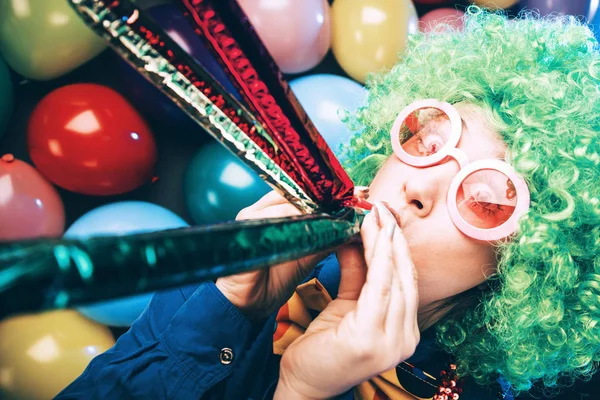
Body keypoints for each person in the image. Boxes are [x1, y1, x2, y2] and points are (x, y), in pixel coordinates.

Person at [57, 6, 600, 399]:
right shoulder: (240, 267)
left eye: (483, 198)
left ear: (530, 263)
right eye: (430, 142)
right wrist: (226, 304)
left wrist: (300, 391)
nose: (417, 187)